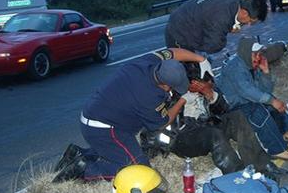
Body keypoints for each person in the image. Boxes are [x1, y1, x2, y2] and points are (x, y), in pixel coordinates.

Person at [53, 48, 206, 182]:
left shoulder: (149, 62)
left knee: (116, 149)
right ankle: (84, 170)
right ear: (165, 85)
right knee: (138, 169)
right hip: (104, 128)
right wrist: (183, 100)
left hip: (94, 115)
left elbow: (173, 52)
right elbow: (162, 122)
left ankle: (77, 154)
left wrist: (201, 59)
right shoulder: (148, 96)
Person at [141, 61, 288, 180]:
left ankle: (261, 165)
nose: (203, 85)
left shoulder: (205, 87)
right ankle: (239, 177)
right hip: (182, 138)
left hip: (204, 127)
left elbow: (224, 110)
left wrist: (210, 94)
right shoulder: (166, 93)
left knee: (236, 117)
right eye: (198, 83)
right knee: (214, 134)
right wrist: (182, 100)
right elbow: (158, 124)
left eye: (205, 82)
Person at [217, 37, 288, 161]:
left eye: (259, 54)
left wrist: (265, 72)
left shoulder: (251, 64)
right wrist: (272, 101)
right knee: (258, 110)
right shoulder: (234, 67)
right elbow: (246, 91)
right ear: (246, 52)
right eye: (255, 54)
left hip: (245, 100)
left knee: (270, 101)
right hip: (231, 108)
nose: (258, 57)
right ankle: (276, 149)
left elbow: (265, 91)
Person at [165, 0, 268, 54]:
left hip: (180, 17)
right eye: (250, 21)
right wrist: (226, 30)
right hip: (178, 34)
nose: (248, 24)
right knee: (190, 76)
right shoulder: (221, 18)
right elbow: (213, 46)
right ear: (245, 13)